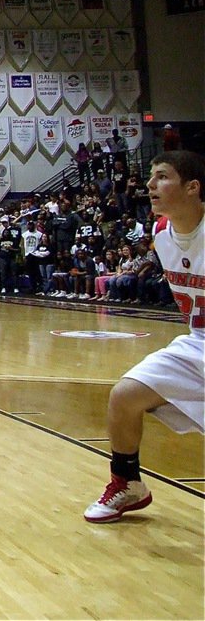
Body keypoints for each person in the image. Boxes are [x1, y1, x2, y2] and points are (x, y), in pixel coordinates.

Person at [85, 150, 204, 523]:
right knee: (124, 397)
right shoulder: (161, 233)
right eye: (151, 177)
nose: (150, 185)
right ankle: (129, 484)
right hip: (198, 339)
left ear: (193, 187)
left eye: (162, 177)